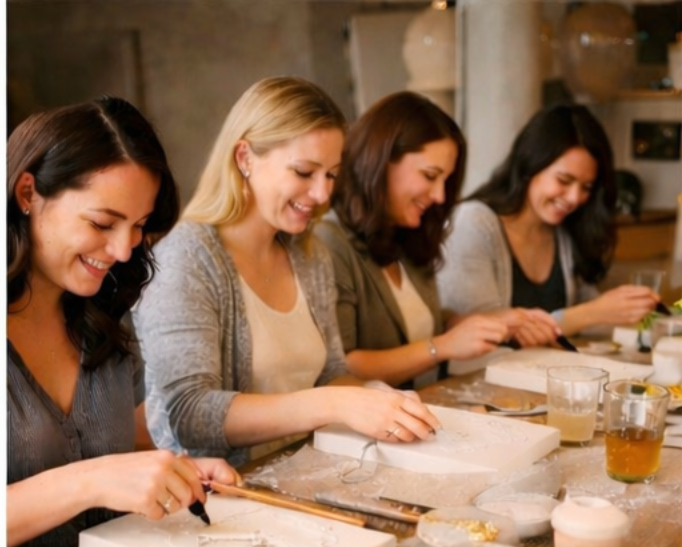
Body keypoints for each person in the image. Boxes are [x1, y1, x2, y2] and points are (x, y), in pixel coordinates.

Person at [133, 77, 440, 467]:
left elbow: (330, 373)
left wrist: (377, 397)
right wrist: (335, 403)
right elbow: (190, 416)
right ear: (244, 157)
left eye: (331, 174)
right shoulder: (185, 260)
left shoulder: (309, 254)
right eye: (303, 172)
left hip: (302, 477)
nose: (322, 195)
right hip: (219, 501)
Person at [7, 96, 240, 547]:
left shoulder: (104, 318)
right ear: (28, 194)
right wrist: (89, 481)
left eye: (136, 226)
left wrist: (176, 470)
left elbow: (116, 442)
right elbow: (95, 469)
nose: (121, 250)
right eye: (101, 222)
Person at [314, 91, 560, 389]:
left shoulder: (407, 234)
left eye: (445, 180)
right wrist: (442, 346)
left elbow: (415, 320)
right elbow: (343, 367)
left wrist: (482, 323)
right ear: (380, 160)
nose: (440, 196)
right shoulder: (330, 240)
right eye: (430, 176)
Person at [437, 103, 660, 337]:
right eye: (564, 180)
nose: (575, 198)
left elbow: (592, 317)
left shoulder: (562, 231)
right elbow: (484, 331)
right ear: (530, 166)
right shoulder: (473, 223)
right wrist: (593, 312)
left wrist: (634, 315)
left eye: (586, 187)